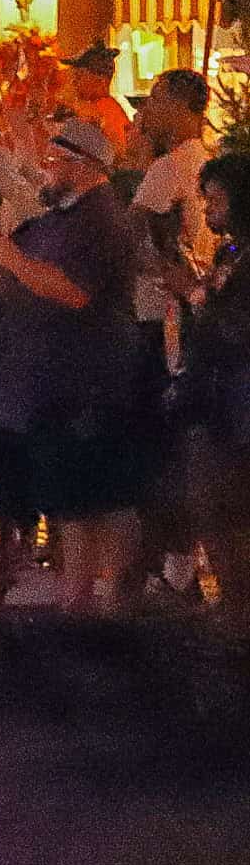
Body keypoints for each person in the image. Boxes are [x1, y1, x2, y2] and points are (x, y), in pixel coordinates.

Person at [0, 118, 142, 615]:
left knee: (92, 500)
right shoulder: (60, 217)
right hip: (52, 382)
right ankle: (80, 595)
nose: (45, 172)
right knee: (70, 499)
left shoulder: (100, 220)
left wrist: (8, 257)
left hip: (87, 382)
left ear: (81, 166)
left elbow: (71, 290)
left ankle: (97, 599)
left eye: (53, 163)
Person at [129, 69, 214, 603]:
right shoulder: (205, 164)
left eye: (157, 99)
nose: (148, 110)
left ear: (181, 105)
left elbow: (138, 232)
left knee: (159, 441)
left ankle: (173, 562)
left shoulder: (171, 168)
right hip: (193, 310)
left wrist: (164, 270)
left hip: (164, 316)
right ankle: (180, 558)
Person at [166, 151, 250, 641]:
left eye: (215, 200)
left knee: (230, 508)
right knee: (213, 507)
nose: (207, 209)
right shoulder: (230, 253)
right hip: (214, 400)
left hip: (236, 403)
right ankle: (232, 603)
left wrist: (197, 297)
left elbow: (237, 328)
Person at [59, 45, 130, 162]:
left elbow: (115, 156)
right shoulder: (109, 107)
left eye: (79, 76)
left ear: (99, 79)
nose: (74, 81)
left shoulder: (103, 110)